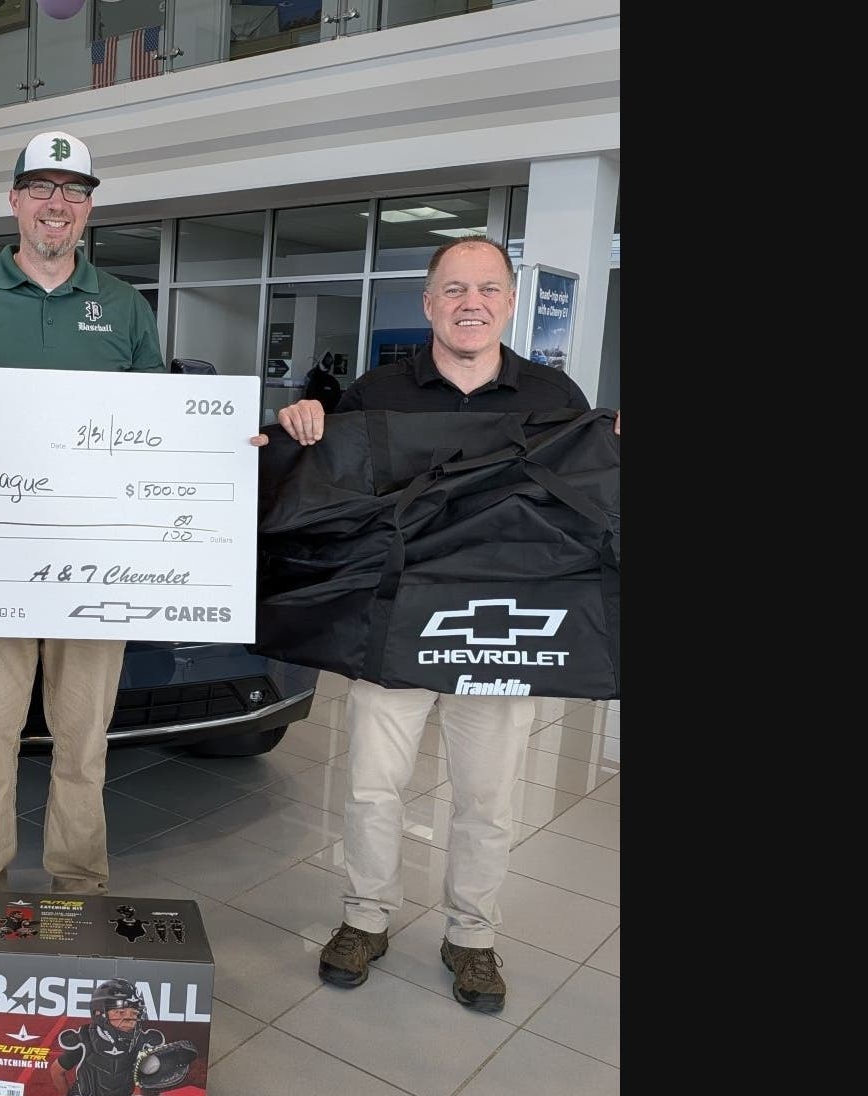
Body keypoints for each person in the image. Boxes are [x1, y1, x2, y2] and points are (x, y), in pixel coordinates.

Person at [254, 235, 619, 1013]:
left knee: (487, 797)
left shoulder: (557, 398)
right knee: (372, 788)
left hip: (501, 629)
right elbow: (329, 495)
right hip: (394, 626)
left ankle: (472, 936)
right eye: (454, 289)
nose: (471, 304)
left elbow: (586, 509)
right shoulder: (379, 392)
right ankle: (365, 918)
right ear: (428, 304)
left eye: (488, 289)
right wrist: (297, 429)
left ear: (511, 302)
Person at [0, 130, 166, 969]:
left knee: (83, 742)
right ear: (14, 200)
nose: (56, 205)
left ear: (89, 207)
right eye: (41, 189)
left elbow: (158, 433)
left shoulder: (126, 307)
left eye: (74, 190)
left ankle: (78, 892)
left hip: (94, 567)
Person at [49, 979, 195, 1096]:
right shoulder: (85, 1039)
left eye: (134, 1013)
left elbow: (145, 1081)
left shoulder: (141, 1041)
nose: (130, 1019)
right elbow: (56, 1070)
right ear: (99, 1013)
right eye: (121, 1012)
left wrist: (152, 1079)